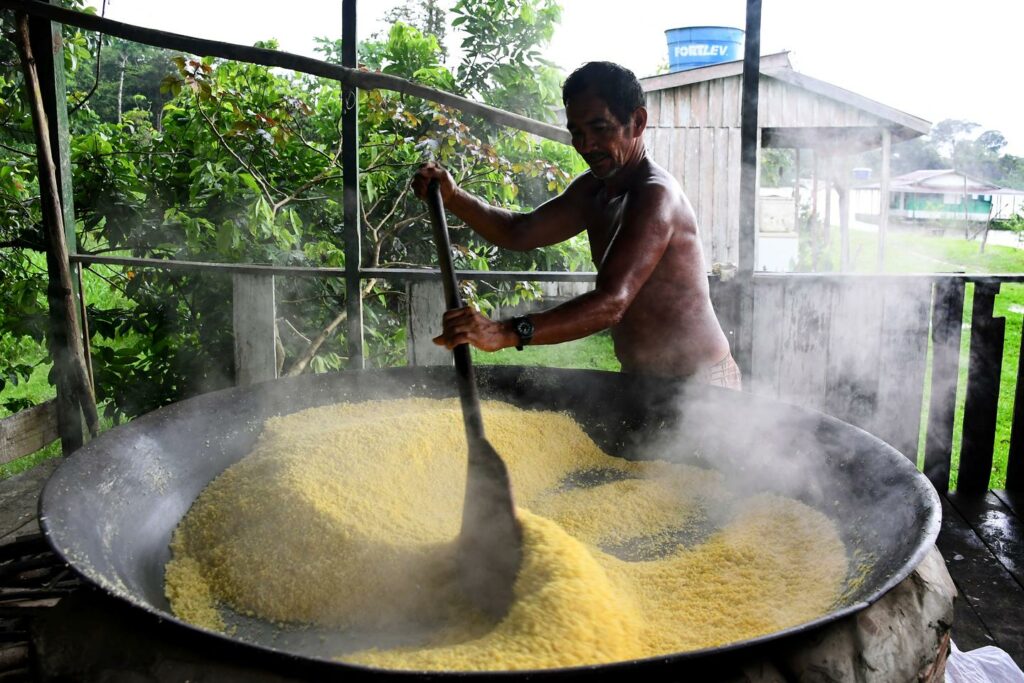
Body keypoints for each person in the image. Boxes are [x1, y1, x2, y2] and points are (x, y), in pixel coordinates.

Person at [411, 61, 740, 389]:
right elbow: (520, 231)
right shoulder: (594, 189)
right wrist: (454, 197)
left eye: (600, 128)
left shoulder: (656, 196)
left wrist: (503, 332)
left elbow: (612, 302)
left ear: (637, 122)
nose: (586, 145)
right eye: (577, 133)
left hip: (701, 385)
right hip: (641, 381)